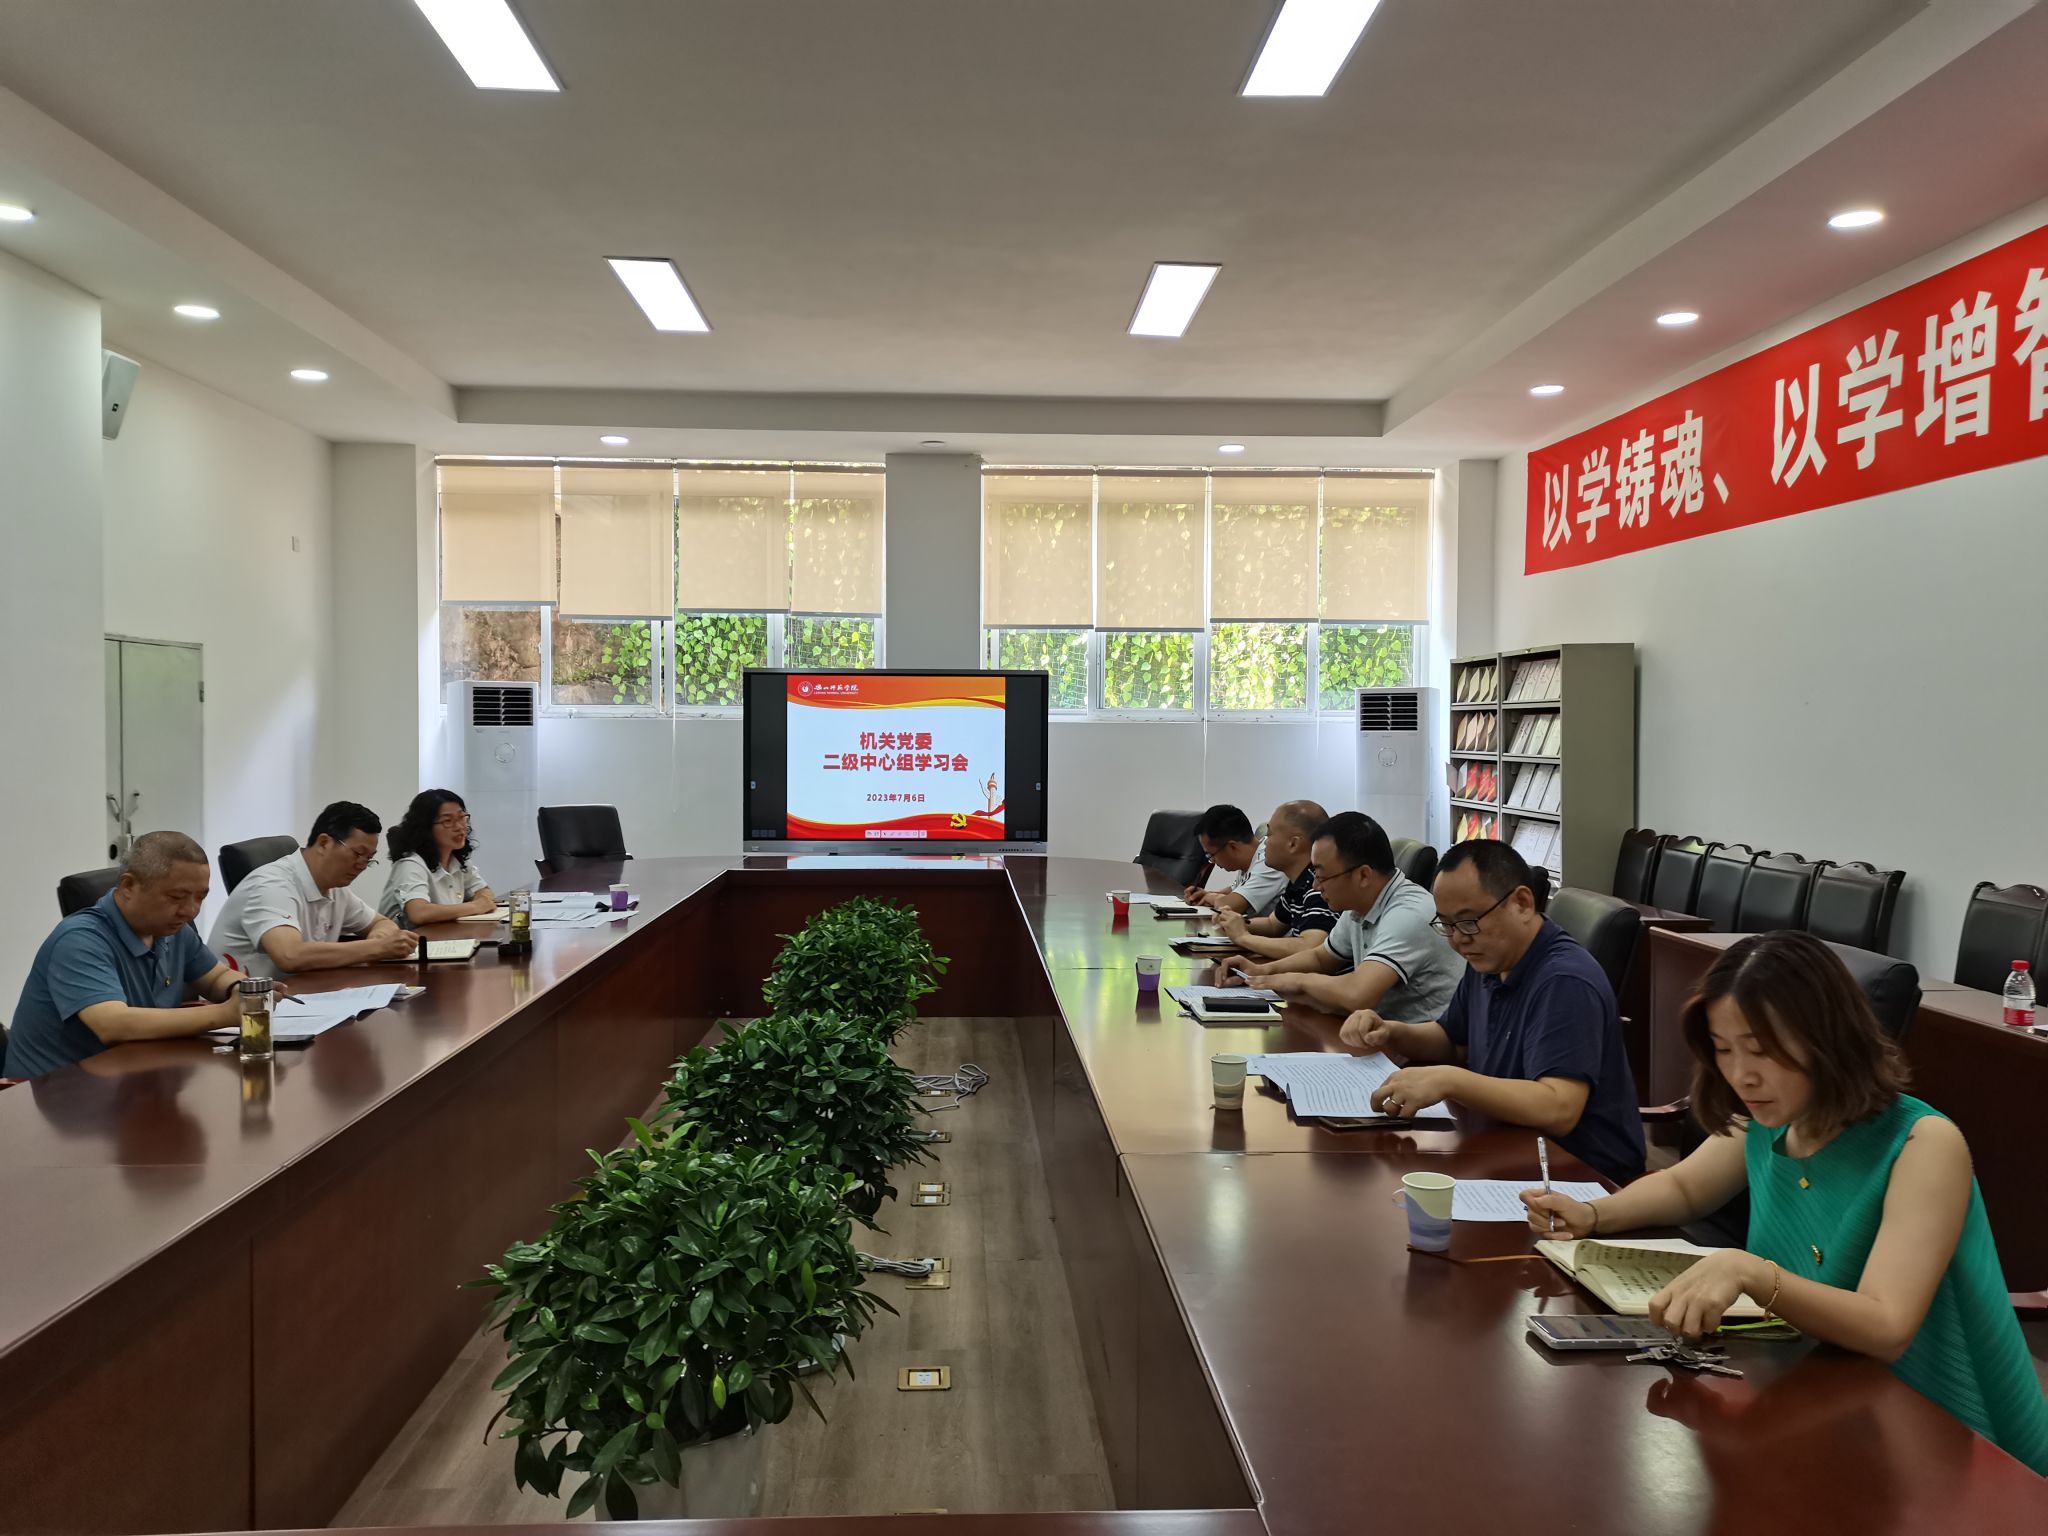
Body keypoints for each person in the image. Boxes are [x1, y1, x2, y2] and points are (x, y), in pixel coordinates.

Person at [1521, 931, 2048, 1475]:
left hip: (1940, 1429)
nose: (1741, 1074)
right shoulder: (1770, 1116)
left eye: (1762, 1049)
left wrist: (1751, 1272)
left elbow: (1888, 1327)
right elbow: (1683, 1188)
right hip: (1824, 1390)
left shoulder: (1922, 1142)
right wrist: (1594, 1214)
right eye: (1724, 1049)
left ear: (1827, 1039)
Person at [1342, 840, 1644, 1184]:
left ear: (1522, 903)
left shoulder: (1565, 981)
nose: (1458, 940)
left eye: (1468, 921)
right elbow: (1452, 1041)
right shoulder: (1489, 958)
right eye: (1447, 924)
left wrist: (1450, 1081)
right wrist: (1392, 1031)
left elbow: (1559, 1108)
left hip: (1580, 1174)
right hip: (1507, 1143)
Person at [4, 832, 247, 1078]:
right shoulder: (80, 939)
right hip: (56, 1090)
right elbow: (113, 1024)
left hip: (134, 1077)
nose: (191, 911)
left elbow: (216, 977)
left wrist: (244, 991)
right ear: (128, 886)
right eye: (177, 897)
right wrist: (226, 1014)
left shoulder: (172, 930)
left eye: (200, 898)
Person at [1229, 812, 1463, 1022]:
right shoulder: (1359, 905)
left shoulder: (1407, 915)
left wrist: (1296, 981)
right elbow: (1321, 958)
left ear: (1363, 875)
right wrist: (1262, 971)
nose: (1315, 885)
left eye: (1322, 876)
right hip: (1382, 1033)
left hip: (1424, 1046)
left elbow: (1357, 994)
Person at [209, 801, 416, 977]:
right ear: (324, 842)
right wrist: (376, 948)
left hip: (299, 994)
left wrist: (380, 938)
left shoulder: (335, 888)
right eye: (358, 854)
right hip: (244, 1005)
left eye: (369, 859)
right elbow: (290, 956)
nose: (361, 865)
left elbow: (380, 923)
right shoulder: (271, 885)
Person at [1210, 799, 1338, 960]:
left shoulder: (1318, 885)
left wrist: (1244, 937)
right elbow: (1273, 925)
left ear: (1293, 844)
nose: (1264, 842)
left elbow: (1309, 947)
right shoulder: (1298, 882)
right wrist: (1234, 922)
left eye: (1269, 835)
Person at [380, 790, 496, 929]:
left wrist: (481, 900)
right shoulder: (410, 864)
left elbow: (485, 892)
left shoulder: (457, 860)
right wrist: (476, 906)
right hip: (412, 940)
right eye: (448, 821)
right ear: (425, 827)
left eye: (461, 817)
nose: (460, 827)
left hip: (446, 936)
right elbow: (419, 913)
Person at [1183, 803, 1288, 915]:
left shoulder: (1269, 860)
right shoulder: (1252, 857)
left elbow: (1232, 906)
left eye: (1211, 855)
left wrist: (1211, 897)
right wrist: (1206, 894)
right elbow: (1237, 890)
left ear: (1232, 847)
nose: (1212, 861)